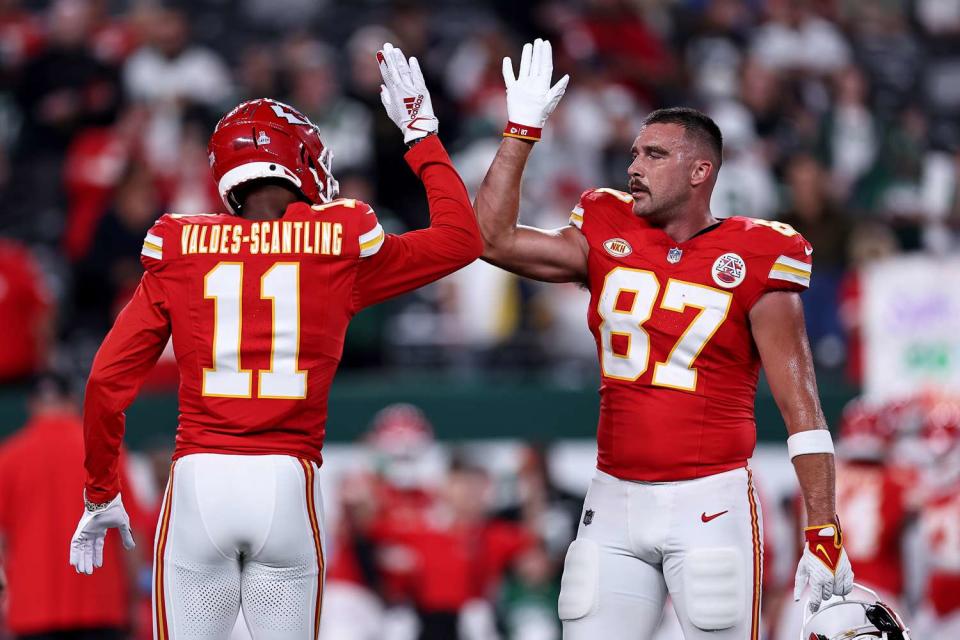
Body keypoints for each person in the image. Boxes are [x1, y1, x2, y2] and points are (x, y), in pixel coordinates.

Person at [68, 42, 482, 639]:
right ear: (302, 164)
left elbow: (107, 380)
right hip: (286, 483)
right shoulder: (338, 242)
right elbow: (460, 240)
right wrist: (421, 135)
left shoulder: (180, 246)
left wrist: (100, 488)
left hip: (198, 483)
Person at [474, 39, 853, 639]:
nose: (634, 167)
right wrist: (521, 131)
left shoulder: (758, 253)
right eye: (634, 153)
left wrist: (823, 528)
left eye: (654, 155)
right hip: (613, 498)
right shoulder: (605, 222)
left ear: (700, 171)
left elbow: (801, 408)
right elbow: (492, 240)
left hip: (711, 500)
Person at [0, 373, 141, 640]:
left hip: (32, 612)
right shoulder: (106, 452)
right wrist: (134, 599)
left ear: (32, 404)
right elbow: (130, 534)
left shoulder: (9, 457)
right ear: (73, 401)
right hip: (101, 607)